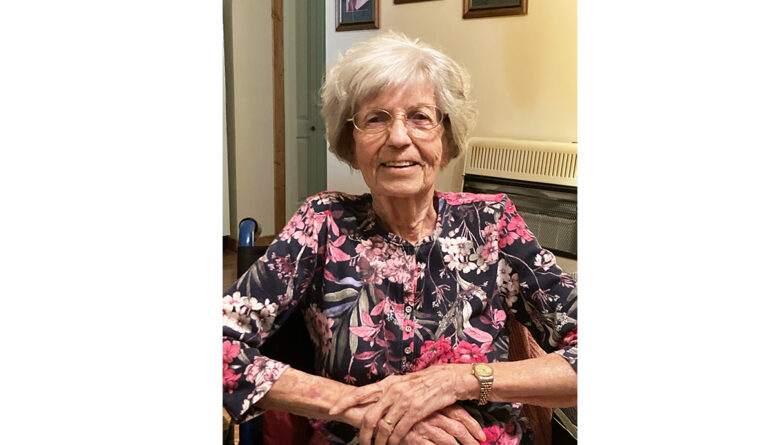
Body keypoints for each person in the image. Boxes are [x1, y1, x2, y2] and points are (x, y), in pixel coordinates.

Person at [222, 31, 577, 445]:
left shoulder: (491, 223)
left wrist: (459, 380)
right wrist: (365, 409)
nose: (397, 137)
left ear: (446, 139)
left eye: (420, 117)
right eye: (375, 119)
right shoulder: (323, 224)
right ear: (351, 142)